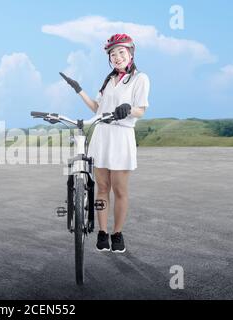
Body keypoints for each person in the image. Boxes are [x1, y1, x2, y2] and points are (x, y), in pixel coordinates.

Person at [60, 33, 150, 253]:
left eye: (121, 52)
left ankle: (117, 234)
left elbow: (142, 108)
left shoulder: (140, 79)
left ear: (130, 53)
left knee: (119, 190)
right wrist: (78, 89)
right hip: (102, 136)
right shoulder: (108, 81)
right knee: (102, 188)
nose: (117, 57)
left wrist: (128, 109)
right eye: (113, 54)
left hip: (121, 136)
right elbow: (97, 109)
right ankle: (102, 232)